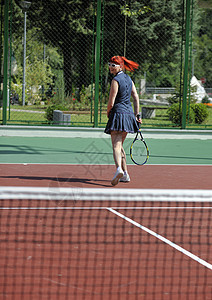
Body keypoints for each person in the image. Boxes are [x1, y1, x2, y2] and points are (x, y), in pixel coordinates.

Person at [104, 56, 142, 186]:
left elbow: (111, 101)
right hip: (129, 116)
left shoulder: (115, 80)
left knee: (116, 145)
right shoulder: (129, 79)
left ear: (120, 66)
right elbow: (136, 97)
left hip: (118, 114)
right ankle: (125, 174)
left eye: (113, 65)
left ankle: (118, 169)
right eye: (110, 64)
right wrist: (137, 115)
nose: (110, 67)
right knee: (120, 146)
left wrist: (109, 111)